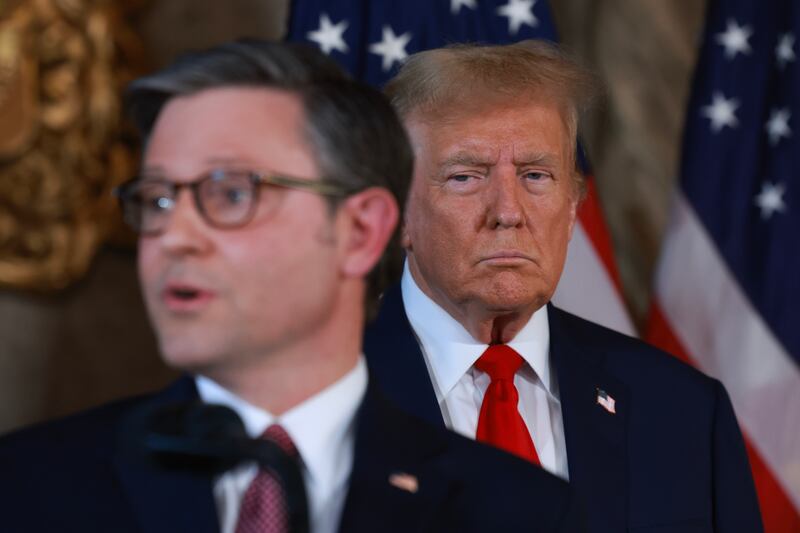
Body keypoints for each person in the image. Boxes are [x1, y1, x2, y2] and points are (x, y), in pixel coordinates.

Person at [0, 40, 582, 533]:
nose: (173, 236)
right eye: (157, 199)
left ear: (359, 231)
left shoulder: (521, 512)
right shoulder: (25, 488)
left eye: (230, 193)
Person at [364, 40, 764, 533]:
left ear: (572, 208)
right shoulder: (313, 391)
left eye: (536, 175)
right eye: (466, 177)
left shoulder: (684, 412)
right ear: (397, 210)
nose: (508, 212)